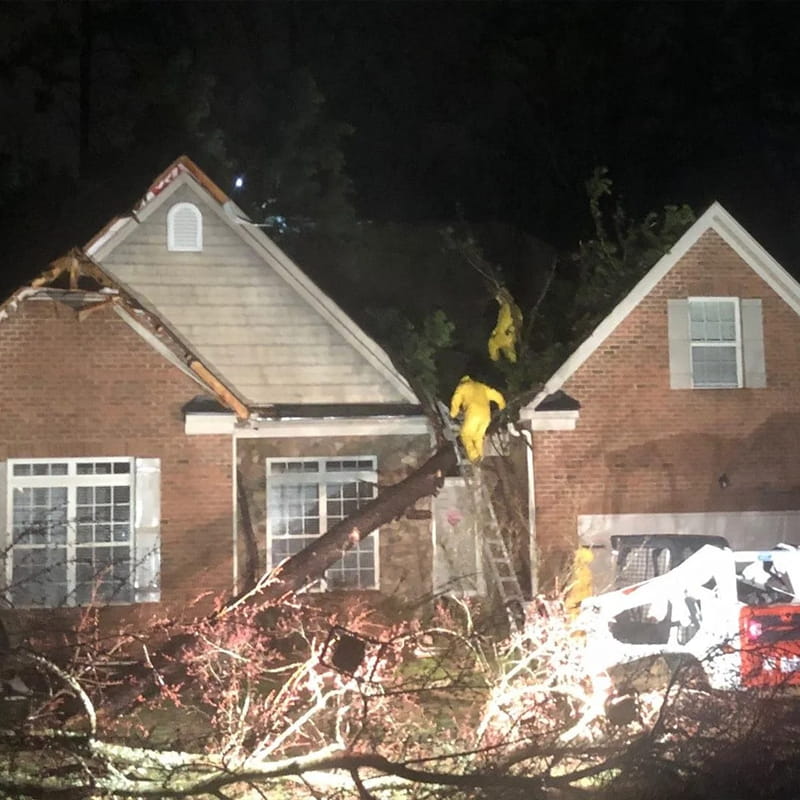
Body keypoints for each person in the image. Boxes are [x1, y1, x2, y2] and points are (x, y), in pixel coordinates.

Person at [449, 375, 506, 462]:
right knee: (478, 437)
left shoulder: (462, 387)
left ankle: (474, 457)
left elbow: (456, 400)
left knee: (465, 435)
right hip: (486, 416)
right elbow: (497, 395)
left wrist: (453, 414)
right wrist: (502, 406)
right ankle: (480, 458)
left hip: (473, 414)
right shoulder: (481, 387)